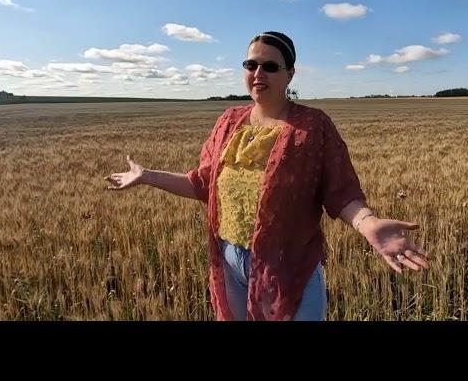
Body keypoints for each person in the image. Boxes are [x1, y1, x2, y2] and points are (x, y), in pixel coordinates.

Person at [104, 31, 429, 321]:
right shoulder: (229, 121)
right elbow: (203, 184)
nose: (258, 73)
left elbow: (341, 193)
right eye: (251, 65)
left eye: (270, 66)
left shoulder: (312, 127)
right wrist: (147, 176)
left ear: (289, 74)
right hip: (228, 261)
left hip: (289, 268)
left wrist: (369, 223)